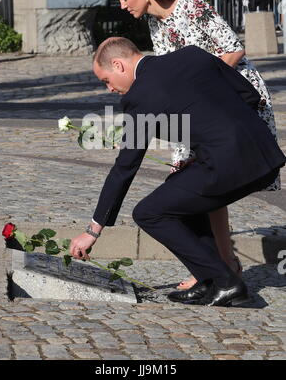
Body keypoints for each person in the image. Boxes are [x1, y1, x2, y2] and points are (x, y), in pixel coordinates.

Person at [69, 37, 285, 307]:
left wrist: (93, 230)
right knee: (179, 191)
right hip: (262, 152)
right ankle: (209, 281)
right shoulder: (192, 56)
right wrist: (204, 149)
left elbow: (125, 167)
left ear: (118, 64)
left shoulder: (141, 96)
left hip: (229, 163)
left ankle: (227, 282)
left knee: (149, 212)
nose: (110, 88)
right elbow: (249, 95)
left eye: (106, 80)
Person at [110, 0, 280, 291]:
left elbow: (232, 50)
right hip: (196, 108)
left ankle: (219, 267)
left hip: (233, 99)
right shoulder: (156, 25)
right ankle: (221, 265)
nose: (122, 5)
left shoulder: (190, 6)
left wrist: (200, 92)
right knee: (192, 181)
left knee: (207, 184)